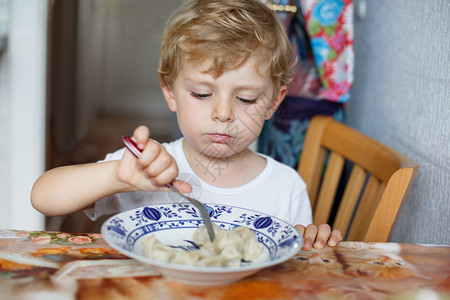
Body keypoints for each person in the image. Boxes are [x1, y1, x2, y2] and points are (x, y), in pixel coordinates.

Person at [31, 0, 342, 251]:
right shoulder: (148, 169)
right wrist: (115, 176)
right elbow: (44, 198)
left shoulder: (286, 188)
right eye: (202, 94)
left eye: (246, 99)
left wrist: (309, 244)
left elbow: (293, 270)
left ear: (273, 102)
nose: (223, 114)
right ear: (171, 93)